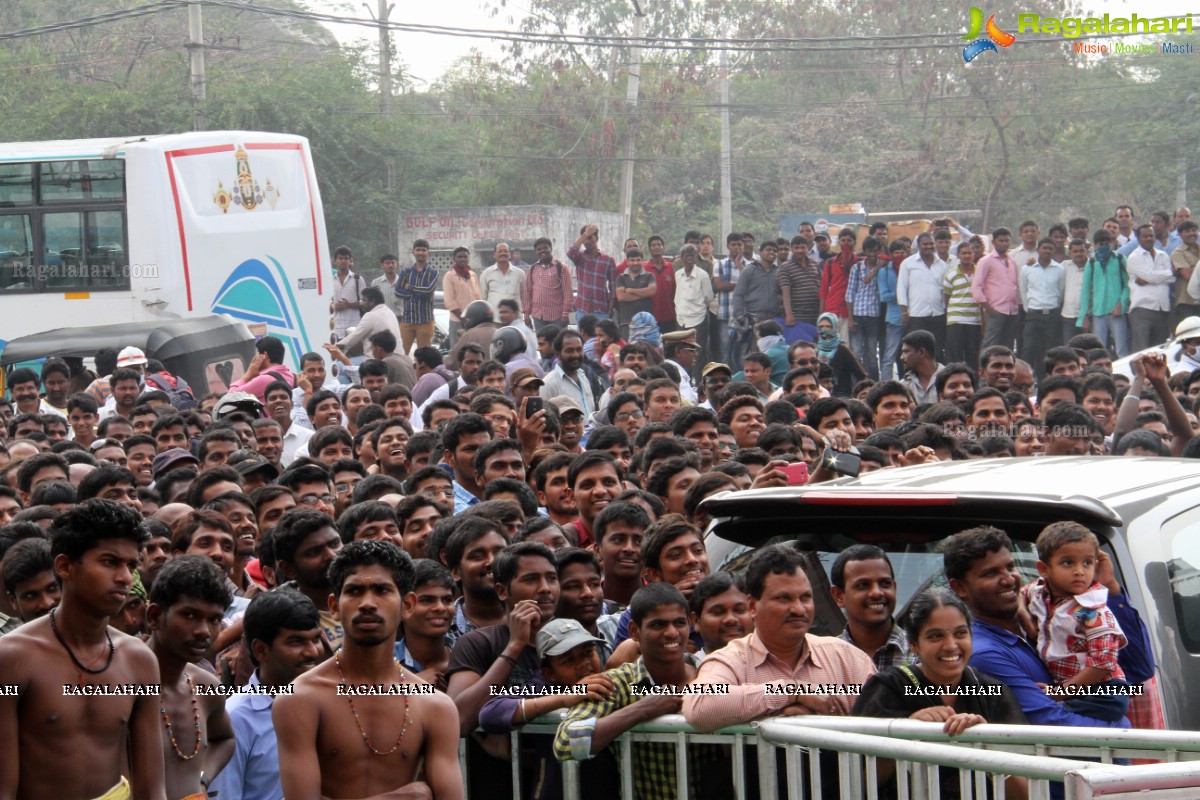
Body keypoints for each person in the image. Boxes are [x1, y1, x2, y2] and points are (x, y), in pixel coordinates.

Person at [0, 499, 165, 800]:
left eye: (130, 565)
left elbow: (152, 789)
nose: (125, 578)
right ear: (64, 566)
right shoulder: (11, 659)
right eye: (109, 562)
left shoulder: (139, 661)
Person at [274, 540, 464, 800]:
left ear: (406, 605)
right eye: (354, 591)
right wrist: (402, 797)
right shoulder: (301, 698)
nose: (367, 603)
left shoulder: (435, 706)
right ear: (334, 606)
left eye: (382, 590)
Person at [943, 525, 1152, 728]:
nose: (1008, 579)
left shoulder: (1049, 612)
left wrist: (1112, 592)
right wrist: (1122, 729)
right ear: (960, 587)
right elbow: (1051, 723)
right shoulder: (986, 652)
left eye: (1010, 567)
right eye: (990, 573)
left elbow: (1137, 669)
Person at [851, 589, 1028, 800]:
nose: (951, 646)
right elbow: (856, 783)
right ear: (914, 645)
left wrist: (986, 746)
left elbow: (1027, 792)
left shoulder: (991, 691)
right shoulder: (887, 689)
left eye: (961, 633)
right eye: (935, 636)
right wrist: (904, 731)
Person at [555, 583, 722, 800]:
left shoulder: (711, 675)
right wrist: (644, 709)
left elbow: (766, 691)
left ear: (689, 624)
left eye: (679, 623)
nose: (672, 633)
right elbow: (567, 741)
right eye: (658, 625)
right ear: (634, 631)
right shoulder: (619, 683)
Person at [683, 544, 876, 732]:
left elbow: (883, 727)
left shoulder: (848, 659)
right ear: (752, 606)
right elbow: (701, 706)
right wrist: (790, 691)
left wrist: (832, 722)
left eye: (805, 597)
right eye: (784, 598)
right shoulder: (731, 661)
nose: (799, 609)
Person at [1018, 521, 1130, 723]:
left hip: (1101, 686)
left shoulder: (1093, 609)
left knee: (1113, 703)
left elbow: (1103, 663)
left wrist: (1060, 693)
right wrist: (1023, 614)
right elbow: (1021, 593)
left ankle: (1063, 708)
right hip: (1064, 681)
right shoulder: (1039, 591)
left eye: (1087, 563)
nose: (1080, 571)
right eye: (1068, 563)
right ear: (1044, 569)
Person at [146, 556, 236, 799]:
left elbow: (225, 739)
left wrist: (202, 780)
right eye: (189, 615)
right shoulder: (117, 684)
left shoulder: (207, 686)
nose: (203, 631)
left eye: (214, 619)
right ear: (154, 616)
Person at [830, 545, 908, 669]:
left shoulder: (924, 653)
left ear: (894, 588)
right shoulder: (825, 659)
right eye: (863, 585)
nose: (877, 592)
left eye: (884, 584)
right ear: (839, 596)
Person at [972, 228, 1021, 351]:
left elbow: (1015, 285)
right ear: (994, 242)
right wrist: (988, 308)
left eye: (1007, 240)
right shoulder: (986, 261)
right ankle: (984, 369)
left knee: (1008, 346)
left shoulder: (1012, 261)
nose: (1004, 243)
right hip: (995, 310)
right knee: (990, 344)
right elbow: (976, 287)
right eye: (1001, 240)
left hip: (1012, 311)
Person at [395, 239, 440, 352]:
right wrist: (413, 295)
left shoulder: (433, 272)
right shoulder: (406, 271)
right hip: (407, 321)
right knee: (400, 354)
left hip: (425, 321)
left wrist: (409, 287)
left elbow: (428, 291)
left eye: (423, 250)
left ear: (428, 253)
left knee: (424, 356)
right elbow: (397, 291)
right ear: (413, 252)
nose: (420, 252)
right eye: (418, 250)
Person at [524, 237, 574, 332]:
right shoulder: (533, 269)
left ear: (550, 248)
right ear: (536, 251)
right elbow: (528, 292)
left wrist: (565, 314)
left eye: (545, 248)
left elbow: (568, 293)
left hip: (557, 317)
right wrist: (526, 315)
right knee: (542, 345)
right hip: (538, 316)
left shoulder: (561, 267)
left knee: (557, 345)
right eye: (539, 249)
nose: (542, 251)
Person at [568, 224, 617, 321]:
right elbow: (570, 252)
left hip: (601, 310)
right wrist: (585, 235)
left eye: (590, 237)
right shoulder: (579, 257)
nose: (587, 241)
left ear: (597, 238)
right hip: (582, 309)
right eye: (585, 238)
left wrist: (611, 309)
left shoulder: (608, 260)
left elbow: (613, 287)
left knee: (602, 336)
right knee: (583, 336)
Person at [444, 246, 482, 345]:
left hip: (474, 321)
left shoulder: (473, 275)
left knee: (475, 349)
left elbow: (478, 297)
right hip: (457, 321)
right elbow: (449, 301)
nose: (463, 259)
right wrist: (464, 318)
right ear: (454, 258)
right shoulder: (449, 276)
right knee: (457, 352)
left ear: (468, 258)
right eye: (459, 257)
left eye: (465, 257)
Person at [331, 245, 366, 343]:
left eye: (346, 258)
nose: (343, 261)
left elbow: (365, 303)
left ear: (350, 260)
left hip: (354, 328)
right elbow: (324, 303)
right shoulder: (330, 281)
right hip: (335, 329)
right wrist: (334, 307)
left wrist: (348, 305)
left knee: (355, 358)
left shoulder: (358, 279)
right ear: (335, 261)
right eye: (340, 258)